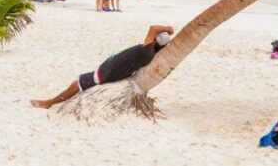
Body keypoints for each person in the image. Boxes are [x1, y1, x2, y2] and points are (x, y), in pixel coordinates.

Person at [30, 25, 174, 109]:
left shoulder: (146, 51)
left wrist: (168, 28)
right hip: (109, 71)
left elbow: (153, 28)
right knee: (78, 83)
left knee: (75, 85)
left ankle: (49, 103)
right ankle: (50, 102)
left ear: (154, 41)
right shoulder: (151, 53)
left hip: (105, 74)